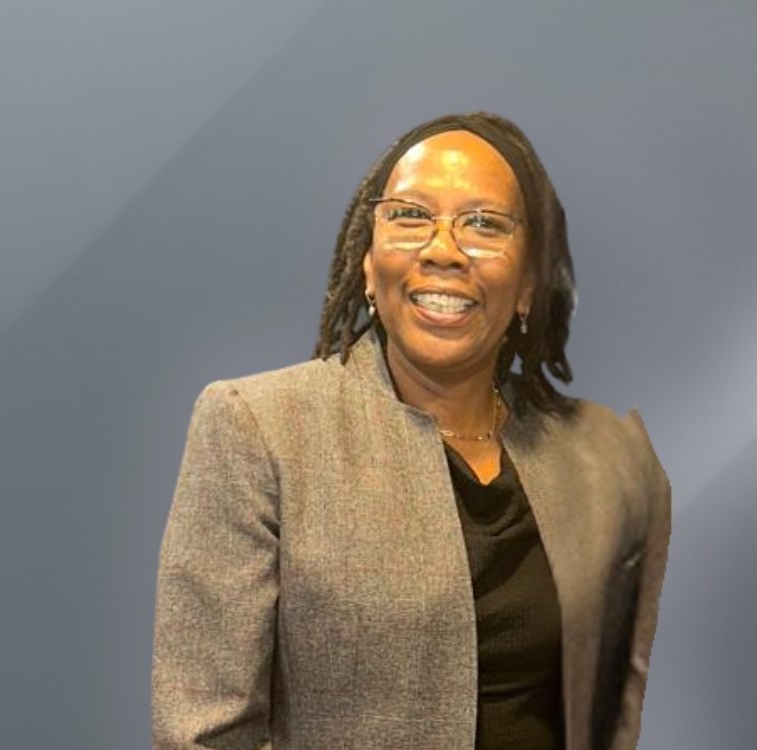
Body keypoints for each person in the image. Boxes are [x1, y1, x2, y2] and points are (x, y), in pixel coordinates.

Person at [151, 112, 672, 750]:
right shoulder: (258, 429)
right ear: (368, 265)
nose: (443, 248)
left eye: (483, 223)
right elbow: (202, 735)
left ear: (528, 285)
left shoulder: (601, 462)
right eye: (409, 215)